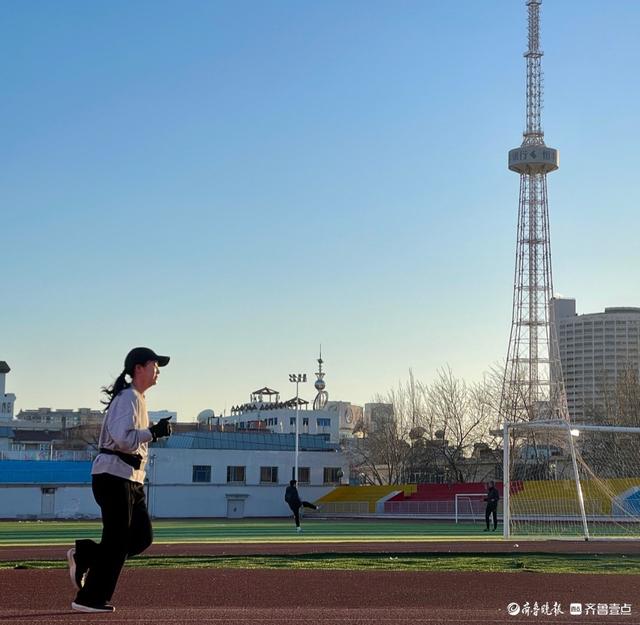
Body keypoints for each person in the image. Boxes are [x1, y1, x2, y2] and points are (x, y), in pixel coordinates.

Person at [67, 347, 173, 613]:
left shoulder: (137, 398)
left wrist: (151, 433)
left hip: (129, 479)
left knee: (141, 537)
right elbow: (122, 438)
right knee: (117, 541)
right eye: (155, 364)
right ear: (138, 368)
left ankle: (87, 555)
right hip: (113, 476)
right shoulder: (128, 398)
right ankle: (89, 598)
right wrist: (153, 432)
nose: (158, 370)